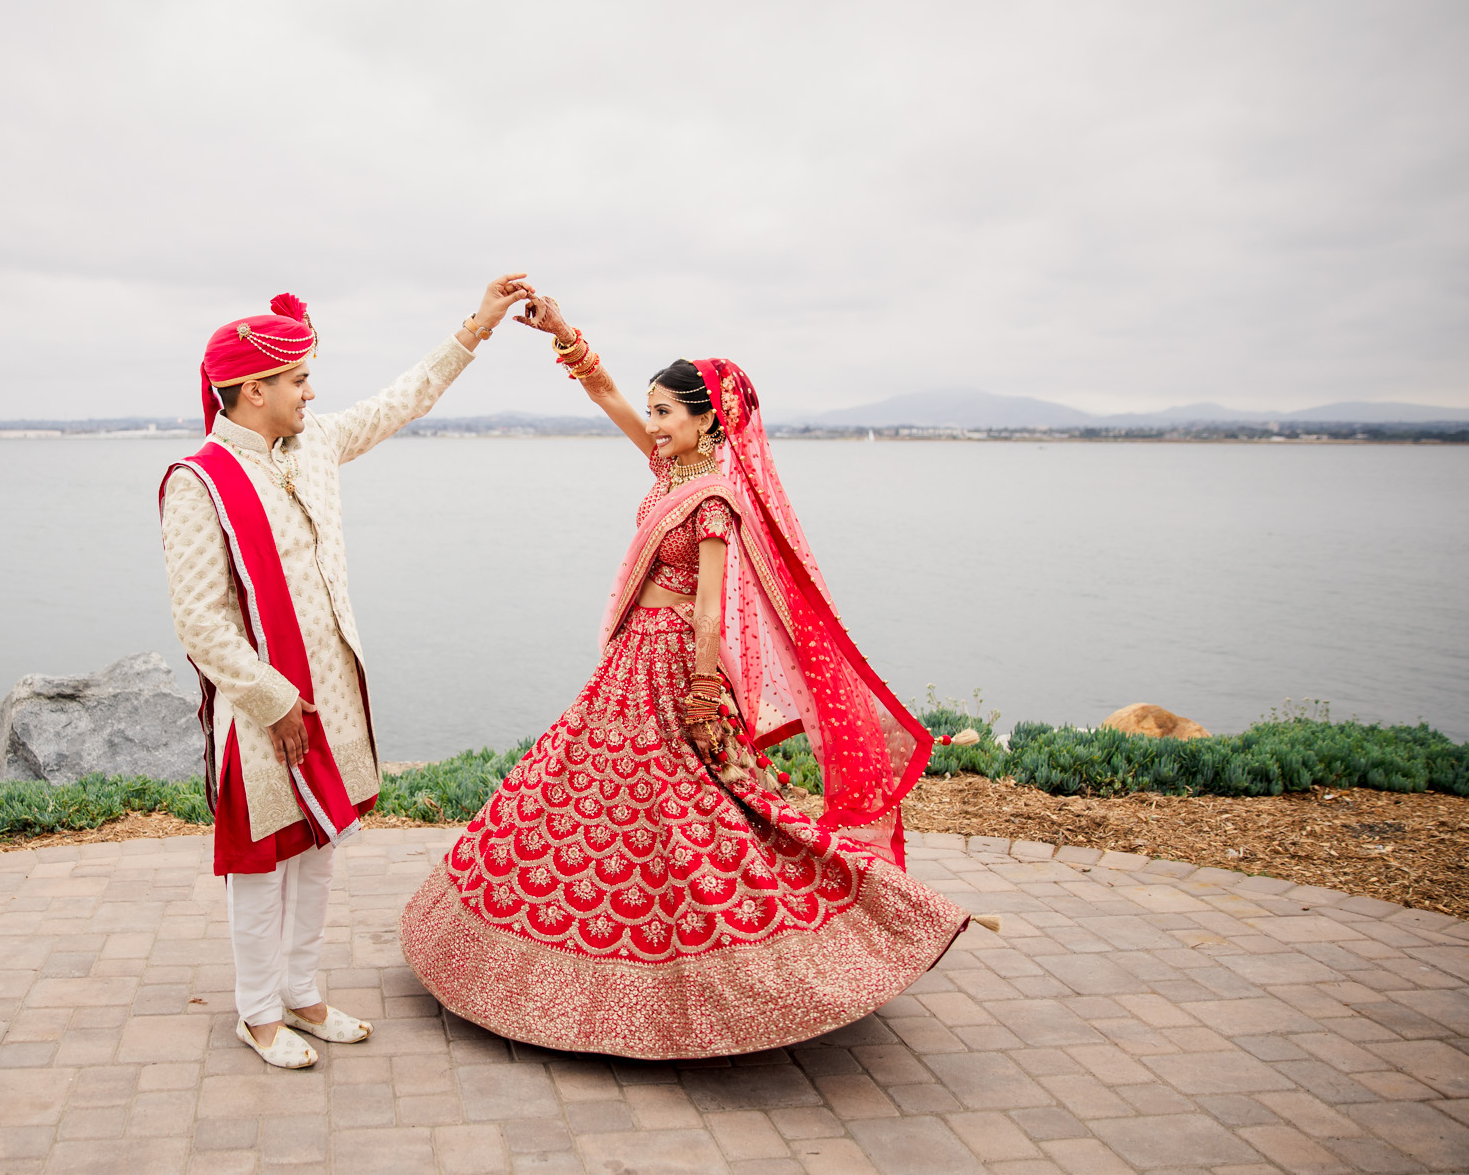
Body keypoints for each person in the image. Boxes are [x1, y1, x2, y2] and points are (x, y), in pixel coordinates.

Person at [398, 296, 976, 1059]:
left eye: (666, 411)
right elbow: (603, 395)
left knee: (680, 807)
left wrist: (705, 689)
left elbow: (710, 609)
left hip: (671, 665)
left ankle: (742, 963)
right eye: (652, 411)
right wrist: (565, 334)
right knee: (592, 792)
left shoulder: (714, 497)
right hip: (632, 656)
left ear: (706, 418)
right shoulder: (671, 470)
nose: (655, 422)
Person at [161, 275, 534, 1069]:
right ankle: (258, 1013)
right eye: (298, 379)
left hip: (330, 689)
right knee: (263, 863)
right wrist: (271, 700)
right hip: (262, 704)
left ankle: (302, 993)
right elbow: (200, 620)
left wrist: (477, 327)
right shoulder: (199, 482)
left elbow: (405, 398)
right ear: (254, 389)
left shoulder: (315, 446)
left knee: (318, 849)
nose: (311, 391)